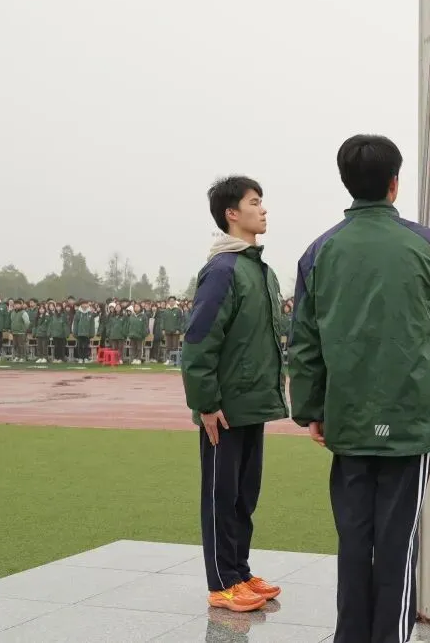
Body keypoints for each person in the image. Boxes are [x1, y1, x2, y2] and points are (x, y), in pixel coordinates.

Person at [288, 134, 430, 643]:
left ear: (347, 183)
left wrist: (312, 409)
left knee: (354, 538)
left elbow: (304, 342)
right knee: (397, 542)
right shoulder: (427, 245)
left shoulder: (320, 251)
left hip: (349, 414)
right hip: (410, 416)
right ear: (394, 183)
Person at [182, 175, 287, 613]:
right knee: (220, 497)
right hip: (223, 410)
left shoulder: (260, 270)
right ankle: (222, 583)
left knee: (245, 495)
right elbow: (199, 341)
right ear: (231, 213)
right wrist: (206, 403)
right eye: (254, 202)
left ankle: (240, 572)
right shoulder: (223, 270)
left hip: (252, 403)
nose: (263, 210)